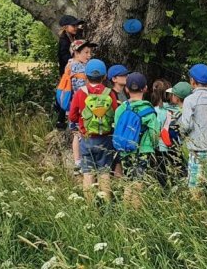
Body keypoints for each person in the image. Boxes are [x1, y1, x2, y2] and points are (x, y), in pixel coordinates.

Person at [68, 59, 119, 201]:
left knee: (88, 173)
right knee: (104, 173)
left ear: (86, 75)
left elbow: (72, 116)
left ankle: (90, 209)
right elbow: (115, 114)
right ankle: (107, 204)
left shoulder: (80, 93)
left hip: (86, 138)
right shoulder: (110, 93)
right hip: (105, 138)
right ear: (104, 77)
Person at [113, 73, 161, 208]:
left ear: (126, 89)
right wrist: (154, 145)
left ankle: (125, 210)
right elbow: (154, 134)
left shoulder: (120, 109)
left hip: (125, 149)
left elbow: (117, 128)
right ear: (145, 88)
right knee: (139, 181)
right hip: (143, 150)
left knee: (128, 179)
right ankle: (136, 212)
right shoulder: (149, 111)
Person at [178, 63, 207, 193]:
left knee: (195, 186)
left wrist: (182, 134)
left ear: (192, 81)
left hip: (196, 149)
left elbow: (186, 125)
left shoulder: (189, 100)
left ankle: (197, 210)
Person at [66, 39, 96, 172]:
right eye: (86, 52)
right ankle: (80, 161)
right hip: (80, 108)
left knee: (77, 134)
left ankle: (78, 160)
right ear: (76, 53)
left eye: (90, 52)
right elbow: (81, 91)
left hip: (72, 107)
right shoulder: (78, 68)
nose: (89, 55)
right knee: (80, 134)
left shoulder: (70, 65)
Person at [55, 15, 84, 130]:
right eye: (73, 25)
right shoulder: (64, 40)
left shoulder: (72, 36)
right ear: (66, 27)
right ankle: (61, 120)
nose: (76, 27)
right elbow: (63, 56)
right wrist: (74, 60)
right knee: (67, 93)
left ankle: (65, 118)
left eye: (77, 25)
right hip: (67, 72)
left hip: (71, 70)